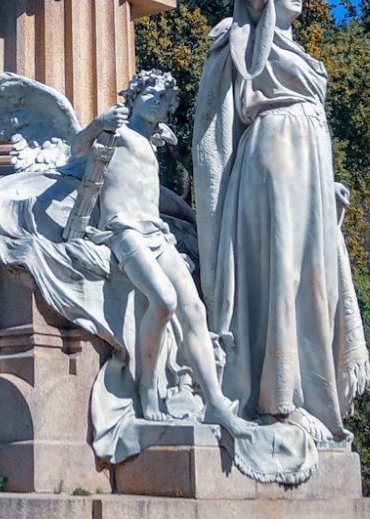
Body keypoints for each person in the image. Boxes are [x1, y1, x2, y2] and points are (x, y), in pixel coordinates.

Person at [193, 0, 370, 445]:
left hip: (310, 166)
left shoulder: (304, 54)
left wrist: (331, 182)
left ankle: (311, 399)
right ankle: (275, 400)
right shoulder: (254, 32)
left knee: (313, 278)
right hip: (273, 156)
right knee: (281, 274)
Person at [72, 69, 253, 434]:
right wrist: (96, 125)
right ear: (134, 96)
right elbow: (74, 149)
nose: (157, 101)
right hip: (124, 230)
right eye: (149, 93)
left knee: (194, 309)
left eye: (163, 98)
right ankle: (148, 387)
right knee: (165, 301)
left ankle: (215, 401)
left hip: (157, 232)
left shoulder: (152, 141)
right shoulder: (116, 132)